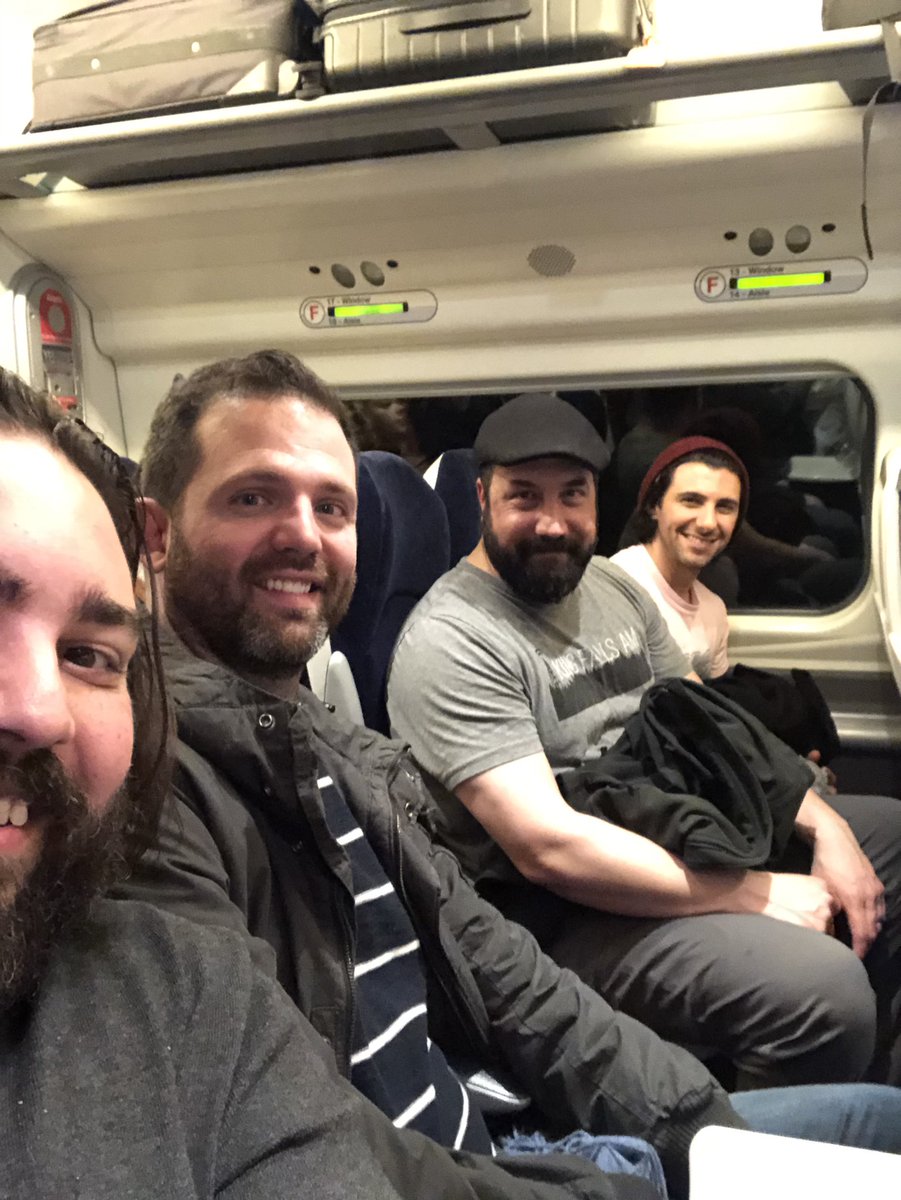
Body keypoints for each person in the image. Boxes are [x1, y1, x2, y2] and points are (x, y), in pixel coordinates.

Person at [108, 350, 901, 1197]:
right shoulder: (143, 784)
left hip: (508, 1127)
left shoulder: (330, 744)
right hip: (484, 1157)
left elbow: (501, 972)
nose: (303, 534)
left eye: (331, 506)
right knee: (824, 1009)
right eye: (253, 497)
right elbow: (291, 1137)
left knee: (878, 1125)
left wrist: (695, 1131)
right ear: (156, 535)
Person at [386, 392, 901, 1089]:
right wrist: (752, 892)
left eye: (572, 495)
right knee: (822, 991)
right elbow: (548, 849)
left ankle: (866, 1098)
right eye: (523, 496)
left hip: (666, 824)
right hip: (560, 913)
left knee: (888, 838)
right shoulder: (451, 639)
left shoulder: (611, 585)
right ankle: (746, 1131)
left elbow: (709, 726)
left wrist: (826, 827)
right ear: (482, 499)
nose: (552, 522)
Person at [0, 366, 413, 1200]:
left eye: (88, 655)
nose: (40, 711)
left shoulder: (183, 994)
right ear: (159, 535)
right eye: (254, 497)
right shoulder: (176, 813)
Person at [609, 437, 746, 679]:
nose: (708, 523)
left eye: (724, 507)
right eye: (691, 501)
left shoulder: (714, 609)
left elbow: (712, 695)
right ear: (654, 506)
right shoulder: (617, 587)